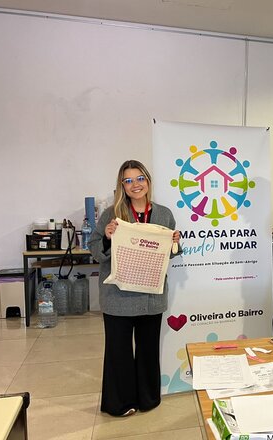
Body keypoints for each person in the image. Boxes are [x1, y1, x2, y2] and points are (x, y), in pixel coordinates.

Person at [89, 159, 181, 417]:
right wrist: (107, 237)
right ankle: (119, 403)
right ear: (122, 185)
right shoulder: (112, 215)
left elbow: (169, 253)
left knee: (148, 349)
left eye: (140, 178)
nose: (135, 185)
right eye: (128, 180)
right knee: (118, 352)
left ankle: (148, 399)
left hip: (151, 295)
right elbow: (95, 250)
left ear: (148, 181)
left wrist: (175, 242)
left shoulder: (164, 214)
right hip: (117, 296)